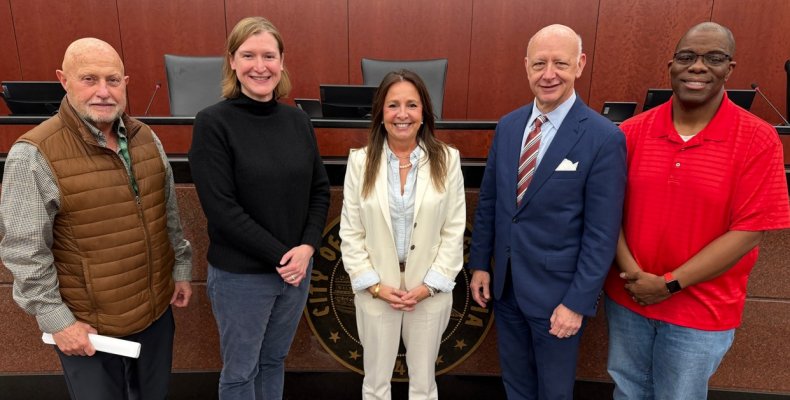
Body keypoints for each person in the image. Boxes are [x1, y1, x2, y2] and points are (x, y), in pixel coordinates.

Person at [603, 22, 790, 400]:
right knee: (628, 391)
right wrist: (635, 276)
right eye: (687, 57)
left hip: (701, 310)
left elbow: (749, 230)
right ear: (671, 65)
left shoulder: (757, 138)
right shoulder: (631, 133)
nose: (698, 67)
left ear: (729, 68)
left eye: (713, 58)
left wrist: (670, 283)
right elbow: (607, 213)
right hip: (630, 298)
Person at [0, 38, 193, 399]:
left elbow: (168, 215)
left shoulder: (146, 139)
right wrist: (59, 321)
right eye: (89, 79)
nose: (103, 92)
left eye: (113, 80)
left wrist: (180, 269)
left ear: (126, 83)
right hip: (88, 328)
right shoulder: (33, 155)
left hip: (153, 315)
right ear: (64, 80)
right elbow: (24, 253)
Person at [467, 24, 627, 399]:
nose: (548, 74)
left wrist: (576, 303)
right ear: (526, 66)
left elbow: (601, 233)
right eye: (539, 63)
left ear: (580, 64)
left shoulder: (604, 137)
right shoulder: (508, 127)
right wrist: (479, 265)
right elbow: (490, 201)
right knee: (517, 386)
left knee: (554, 392)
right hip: (505, 290)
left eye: (560, 63)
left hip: (558, 298)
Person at [188, 16, 330, 400]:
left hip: (296, 272)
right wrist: (285, 255)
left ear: (282, 61)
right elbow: (221, 208)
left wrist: (307, 248)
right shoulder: (213, 123)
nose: (260, 66)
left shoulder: (298, 121)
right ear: (232, 61)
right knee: (240, 373)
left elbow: (319, 191)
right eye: (248, 55)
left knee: (273, 361)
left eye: (269, 55)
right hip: (242, 277)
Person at [339, 69, 465, 400]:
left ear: (424, 113)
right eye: (393, 105)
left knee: (424, 385)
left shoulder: (447, 160)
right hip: (378, 290)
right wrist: (375, 285)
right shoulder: (360, 162)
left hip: (429, 291)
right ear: (381, 113)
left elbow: (454, 229)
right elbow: (350, 232)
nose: (402, 114)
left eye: (412, 105)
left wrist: (431, 284)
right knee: (375, 384)